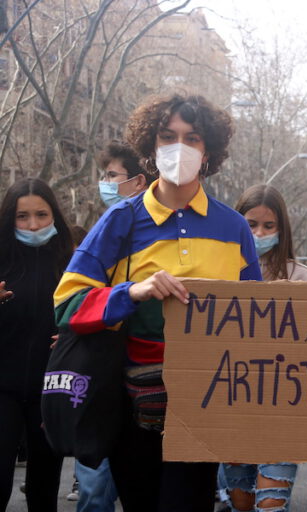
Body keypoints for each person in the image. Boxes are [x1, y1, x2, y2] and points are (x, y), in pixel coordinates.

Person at [53, 93, 261, 512]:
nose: (179, 147)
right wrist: (131, 292)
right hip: (133, 405)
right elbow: (67, 304)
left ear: (209, 151)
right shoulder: (120, 219)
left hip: (205, 403)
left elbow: (256, 321)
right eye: (168, 136)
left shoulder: (234, 226)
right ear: (151, 146)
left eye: (193, 138)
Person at [217, 184, 307, 512]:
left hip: (284, 413)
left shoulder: (301, 278)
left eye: (269, 226)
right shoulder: (218, 275)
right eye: (250, 224)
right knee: (241, 505)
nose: (259, 232)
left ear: (281, 229)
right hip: (231, 410)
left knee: (272, 506)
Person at [75, 141, 152, 512]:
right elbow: (71, 302)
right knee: (94, 485)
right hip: (99, 373)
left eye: (111, 176)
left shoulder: (151, 234)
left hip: (140, 376)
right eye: (103, 175)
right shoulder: (104, 226)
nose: (104, 183)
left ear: (139, 182)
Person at [0, 177, 72, 511]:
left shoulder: (72, 262)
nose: (32, 225)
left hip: (52, 387)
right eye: (22, 216)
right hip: (3, 387)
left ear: (54, 215)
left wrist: (76, 333)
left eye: (41, 215)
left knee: (45, 486)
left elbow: (96, 311)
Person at [97, 141, 153, 208]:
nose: (104, 182)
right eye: (104, 176)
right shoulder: (117, 216)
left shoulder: (158, 216)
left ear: (139, 182)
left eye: (112, 175)